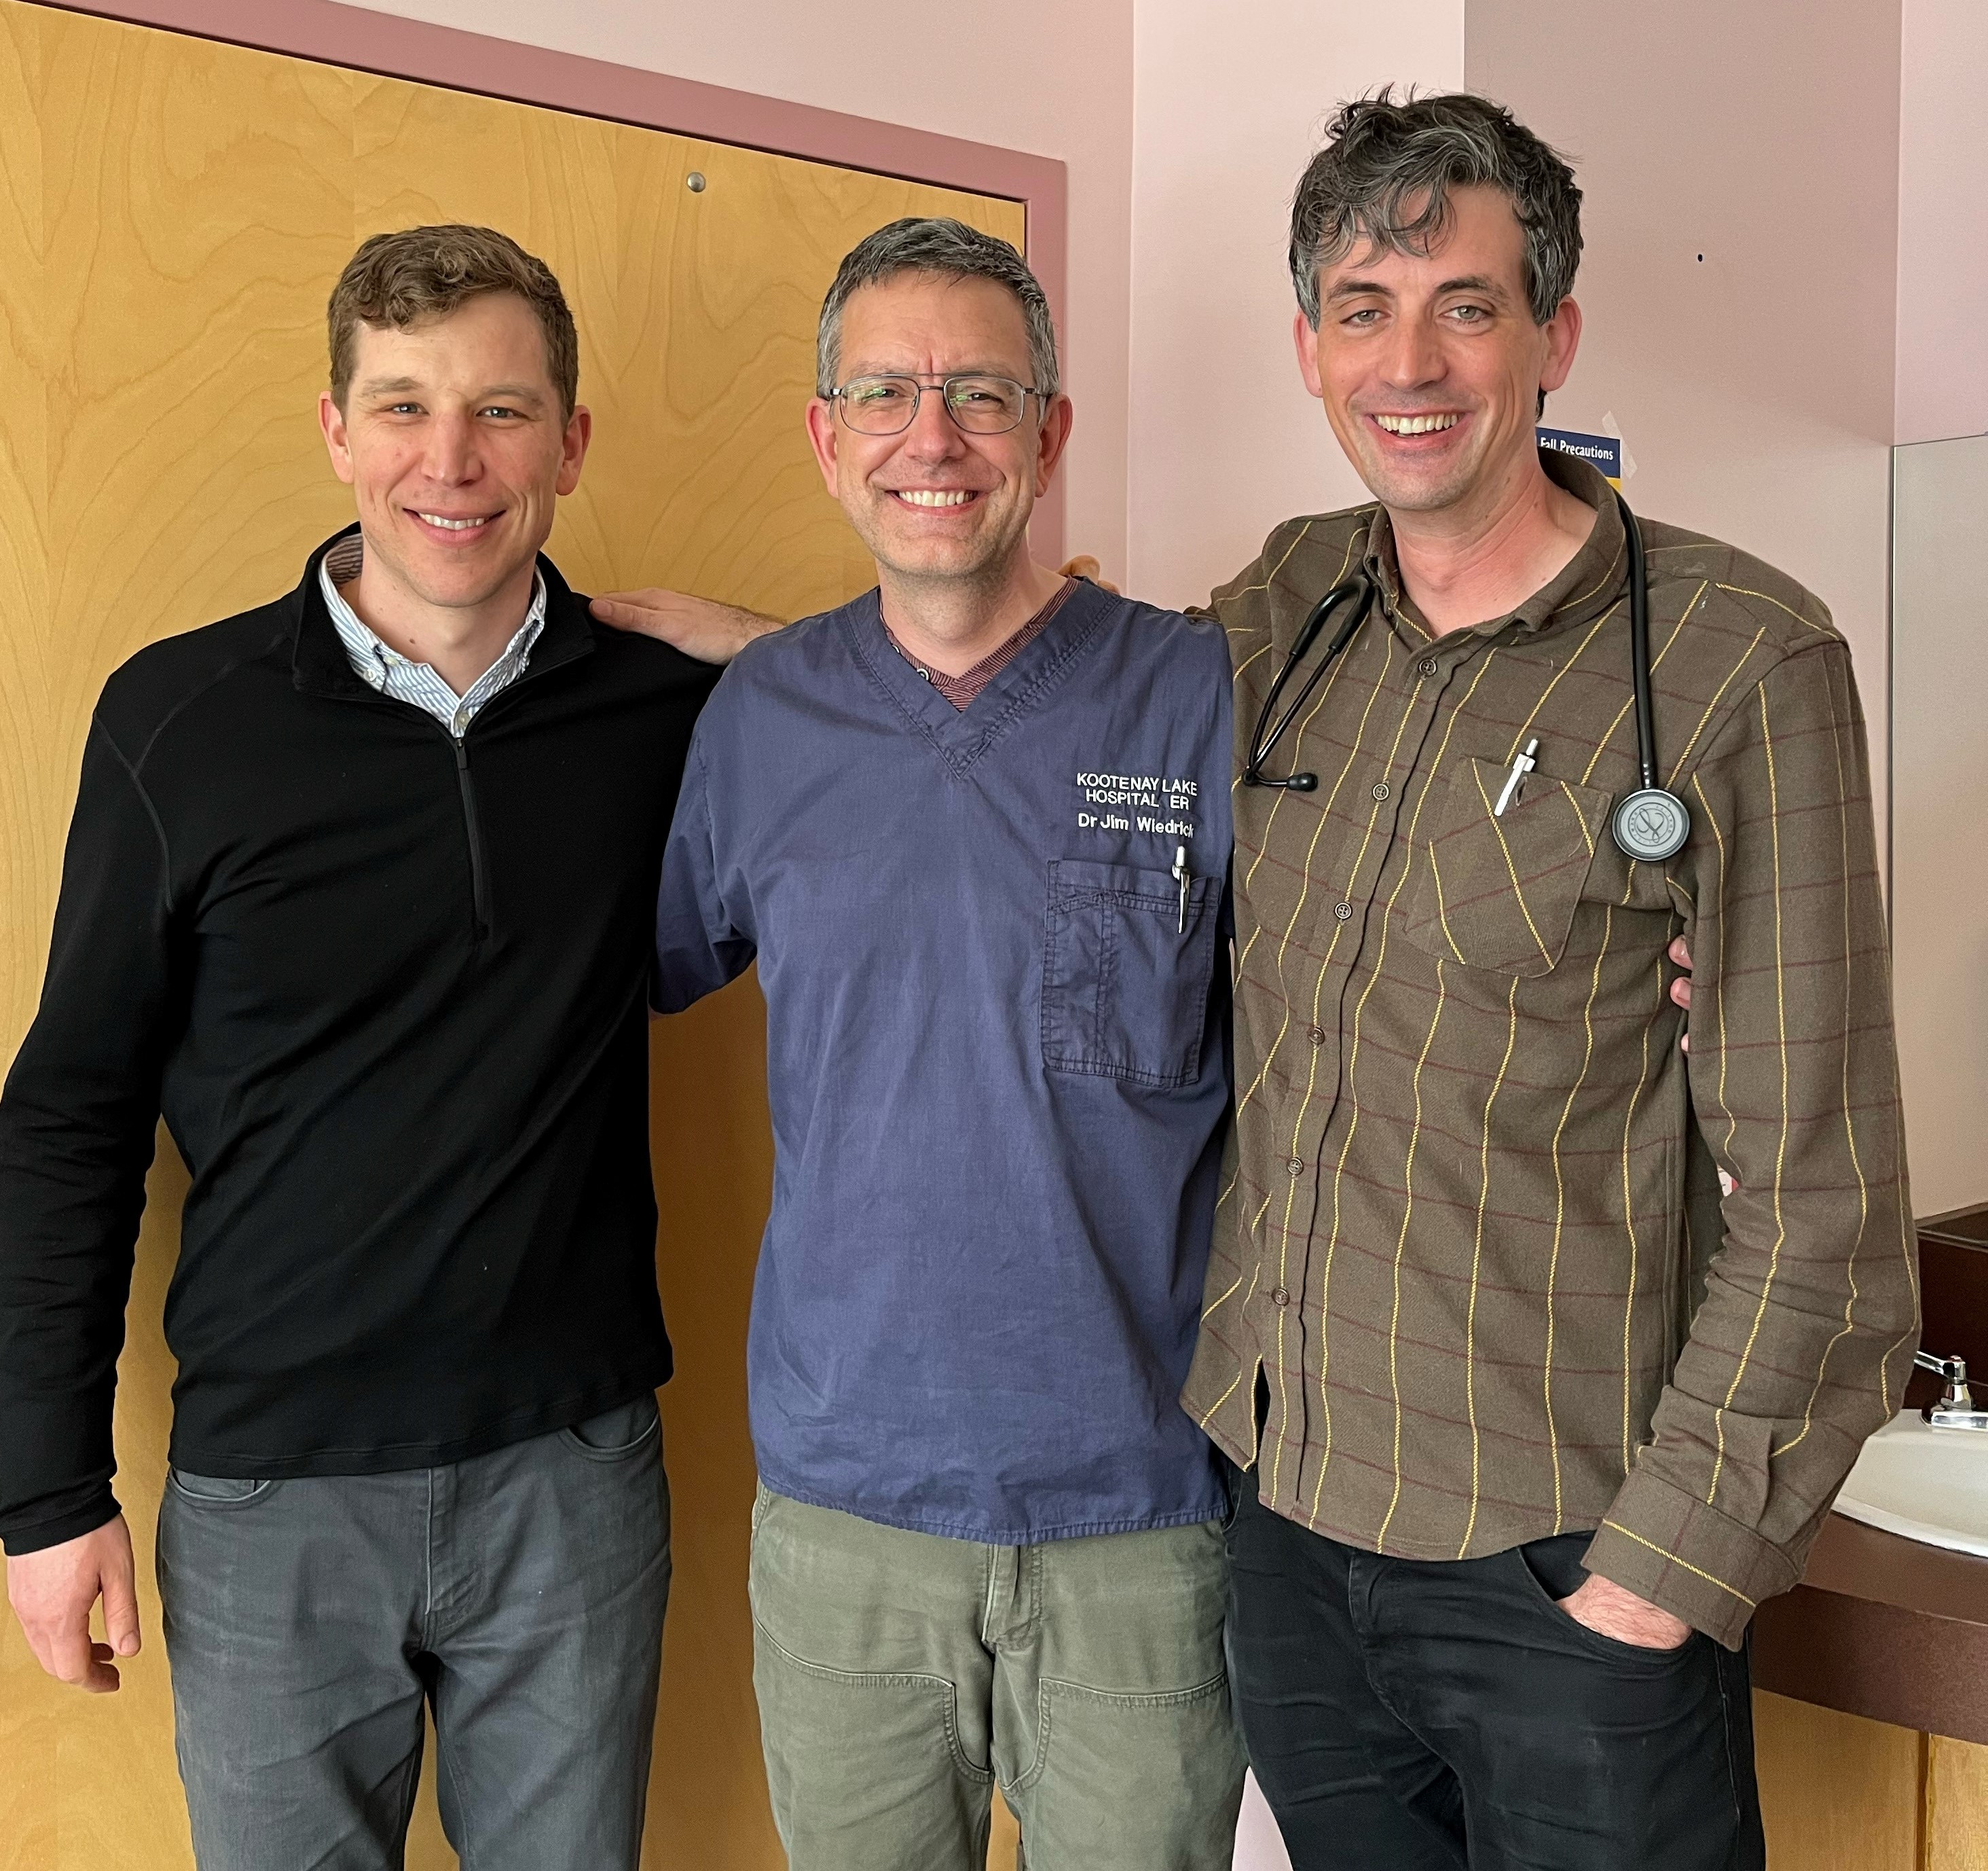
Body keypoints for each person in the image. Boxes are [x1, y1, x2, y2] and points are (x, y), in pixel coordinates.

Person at [1177, 92, 1917, 1869]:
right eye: (1362, 307)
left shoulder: (1740, 662)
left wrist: (1663, 1573)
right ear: (1308, 346)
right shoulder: (1286, 614)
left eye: (1467, 303)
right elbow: (1033, 708)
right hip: (1285, 1530)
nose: (1409, 359)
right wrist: (762, 659)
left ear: (1553, 334)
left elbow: (1824, 1194)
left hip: (1564, 1572)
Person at [0, 224, 715, 1870]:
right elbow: (71, 1117)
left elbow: (917, 706)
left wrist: (779, 649)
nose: (449, 463)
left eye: (503, 412)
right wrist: (50, 1490)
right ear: (334, 431)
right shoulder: (180, 718)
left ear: (572, 442)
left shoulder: (667, 710)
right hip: (270, 1502)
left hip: (573, 1476)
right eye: (400, 408)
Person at [646, 217, 1247, 1870]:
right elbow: (620, 975)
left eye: (982, 394)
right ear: (827, 436)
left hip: (1140, 1519)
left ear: (1051, 434)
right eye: (888, 393)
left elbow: (1357, 987)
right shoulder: (761, 718)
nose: (935, 436)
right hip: (848, 1519)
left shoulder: (1198, 695)